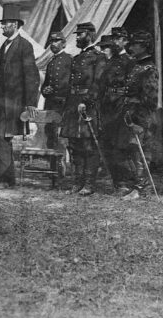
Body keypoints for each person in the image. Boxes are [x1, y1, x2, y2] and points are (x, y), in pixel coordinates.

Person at [0, 4, 40, 189]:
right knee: (0, 138)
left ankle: (5, 180)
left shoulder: (24, 46)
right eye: (3, 24)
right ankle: (7, 179)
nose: (2, 27)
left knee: (3, 139)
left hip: (14, 104)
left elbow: (31, 76)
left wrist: (30, 104)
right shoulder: (4, 46)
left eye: (6, 23)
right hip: (0, 104)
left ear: (16, 24)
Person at [59, 22, 105, 196]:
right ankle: (76, 183)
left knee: (88, 145)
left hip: (88, 106)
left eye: (80, 34)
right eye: (77, 35)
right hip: (73, 105)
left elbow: (98, 83)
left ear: (90, 35)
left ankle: (89, 184)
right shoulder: (77, 58)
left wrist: (87, 101)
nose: (77, 37)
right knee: (74, 145)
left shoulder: (98, 57)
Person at [119, 31, 159, 199]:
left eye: (135, 44)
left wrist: (138, 121)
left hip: (142, 117)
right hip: (132, 114)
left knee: (140, 151)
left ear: (144, 46)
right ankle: (140, 185)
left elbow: (150, 99)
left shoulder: (149, 69)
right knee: (134, 150)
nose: (131, 47)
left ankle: (140, 189)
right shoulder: (136, 66)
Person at [96, 29, 133, 189]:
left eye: (118, 39)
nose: (115, 42)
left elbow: (133, 86)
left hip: (121, 106)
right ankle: (117, 181)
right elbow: (102, 84)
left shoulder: (130, 61)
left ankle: (127, 181)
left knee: (121, 145)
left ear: (125, 41)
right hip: (107, 107)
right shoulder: (110, 61)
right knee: (108, 144)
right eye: (114, 39)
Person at [40, 31, 72, 151]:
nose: (53, 44)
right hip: (50, 104)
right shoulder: (51, 63)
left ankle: (61, 163)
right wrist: (45, 90)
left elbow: (71, 83)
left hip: (62, 104)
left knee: (61, 135)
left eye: (56, 41)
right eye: (51, 42)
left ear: (63, 44)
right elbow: (46, 83)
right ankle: (53, 162)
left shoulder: (69, 60)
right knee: (50, 132)